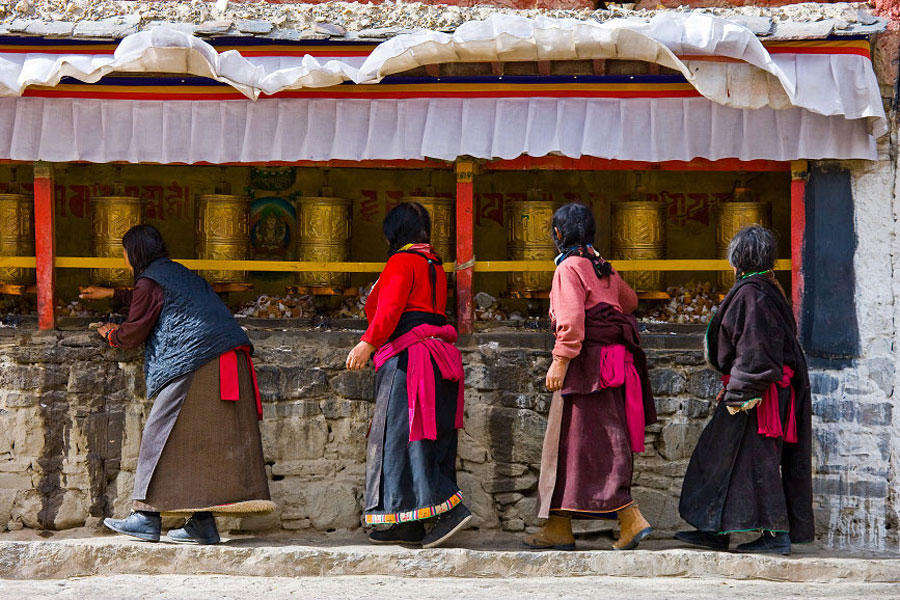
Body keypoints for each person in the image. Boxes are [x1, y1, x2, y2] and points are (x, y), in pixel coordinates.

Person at [80, 224, 273, 544]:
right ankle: (202, 523)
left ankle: (146, 517)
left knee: (161, 434)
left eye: (126, 254)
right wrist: (113, 293)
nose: (126, 261)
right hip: (227, 359)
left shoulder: (150, 280)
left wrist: (109, 332)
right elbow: (154, 297)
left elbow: (133, 332)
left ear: (136, 254)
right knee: (202, 446)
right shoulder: (176, 272)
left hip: (198, 359)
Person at [524, 202, 657, 551]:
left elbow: (570, 319)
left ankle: (631, 518)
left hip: (585, 370)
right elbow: (629, 302)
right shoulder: (602, 268)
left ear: (557, 234)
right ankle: (558, 527)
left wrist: (560, 361)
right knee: (570, 446)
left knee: (594, 446)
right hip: (611, 369)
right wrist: (603, 279)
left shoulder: (569, 267)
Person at [676, 225, 813, 555]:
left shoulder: (753, 294)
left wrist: (740, 393)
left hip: (758, 393)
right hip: (756, 387)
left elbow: (755, 349)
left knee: (758, 461)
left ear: (737, 258)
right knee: (721, 456)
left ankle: (775, 535)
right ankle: (715, 529)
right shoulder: (762, 289)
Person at [346, 202, 468, 549]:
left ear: (393, 232)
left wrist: (366, 345)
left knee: (404, 437)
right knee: (416, 437)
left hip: (410, 360)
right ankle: (406, 523)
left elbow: (390, 310)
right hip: (436, 357)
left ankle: (447, 510)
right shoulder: (435, 265)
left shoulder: (402, 262)